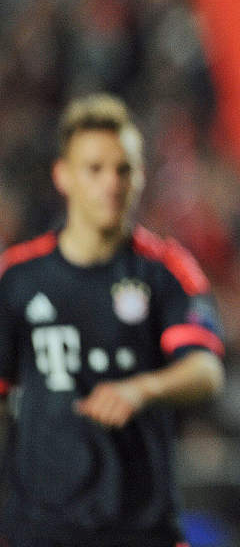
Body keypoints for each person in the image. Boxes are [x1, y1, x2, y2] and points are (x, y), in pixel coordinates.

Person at [0, 94, 225, 547]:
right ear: (63, 176)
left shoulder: (165, 271)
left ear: (141, 176)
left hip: (141, 527)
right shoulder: (17, 277)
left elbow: (206, 370)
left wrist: (142, 388)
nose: (111, 183)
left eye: (124, 168)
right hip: (38, 530)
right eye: (95, 168)